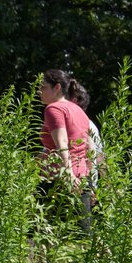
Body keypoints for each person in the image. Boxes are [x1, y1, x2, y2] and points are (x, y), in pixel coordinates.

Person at [38, 69, 92, 206]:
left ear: (57, 87)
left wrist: (69, 174)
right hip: (83, 178)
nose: (39, 91)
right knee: (83, 226)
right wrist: (90, 184)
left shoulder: (54, 109)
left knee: (45, 226)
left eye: (43, 87)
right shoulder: (79, 110)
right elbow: (90, 148)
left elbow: (62, 143)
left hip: (60, 179)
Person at [67, 82, 105, 188]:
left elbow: (96, 156)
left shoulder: (87, 125)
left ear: (73, 100)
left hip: (78, 185)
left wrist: (93, 186)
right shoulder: (64, 123)